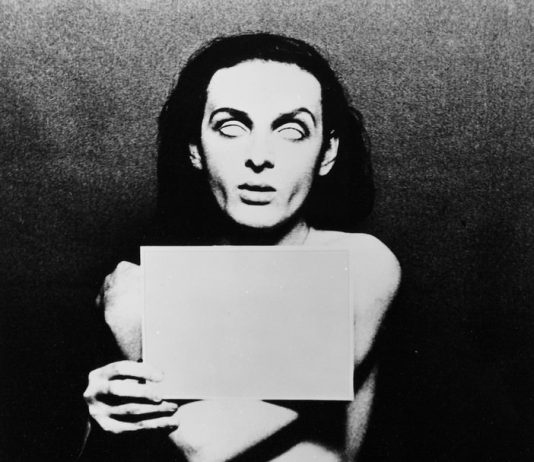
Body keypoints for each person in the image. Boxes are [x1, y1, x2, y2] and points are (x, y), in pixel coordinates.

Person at [81, 33, 400, 461]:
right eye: (231, 127)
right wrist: (102, 418)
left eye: (291, 130)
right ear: (194, 148)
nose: (259, 156)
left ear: (327, 153)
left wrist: (130, 324)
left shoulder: (359, 265)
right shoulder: (157, 281)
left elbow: (205, 446)